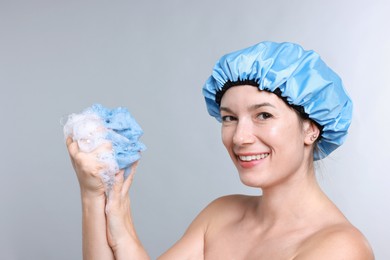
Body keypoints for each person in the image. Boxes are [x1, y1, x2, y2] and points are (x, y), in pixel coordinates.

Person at [66, 41, 374, 259]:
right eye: (229, 117)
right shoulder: (221, 215)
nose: (240, 137)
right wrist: (95, 196)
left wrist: (123, 227)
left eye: (263, 115)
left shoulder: (339, 249)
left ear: (311, 128)